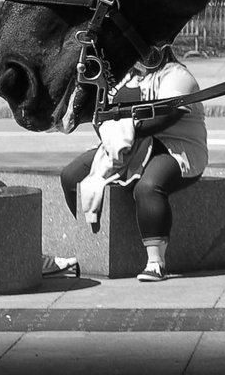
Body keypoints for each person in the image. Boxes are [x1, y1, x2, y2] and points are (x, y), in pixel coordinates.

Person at [60, 45, 208, 282]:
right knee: (71, 175)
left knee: (148, 187)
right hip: (127, 149)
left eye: (152, 48)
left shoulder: (177, 76)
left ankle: (156, 262)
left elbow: (165, 117)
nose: (145, 54)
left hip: (174, 148)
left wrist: (124, 128)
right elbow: (101, 115)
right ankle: (88, 246)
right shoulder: (123, 78)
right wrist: (111, 132)